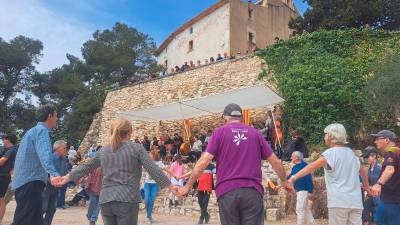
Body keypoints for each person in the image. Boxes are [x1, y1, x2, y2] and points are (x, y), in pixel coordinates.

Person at [177, 103, 292, 225]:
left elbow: (203, 162)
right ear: (241, 118)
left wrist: (187, 186)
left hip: (227, 192)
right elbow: (275, 161)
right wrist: (284, 181)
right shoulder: (256, 133)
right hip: (252, 192)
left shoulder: (219, 133)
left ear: (225, 118)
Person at [59, 118, 177, 225]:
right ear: (129, 132)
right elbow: (153, 168)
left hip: (106, 200)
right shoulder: (137, 149)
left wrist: (67, 177)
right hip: (127, 200)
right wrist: (171, 185)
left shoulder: (104, 151)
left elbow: (86, 166)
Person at [287, 123, 370, 225]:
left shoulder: (330, 153)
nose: (324, 137)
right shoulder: (352, 154)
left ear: (331, 136)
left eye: (325, 135)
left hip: (339, 201)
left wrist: (293, 178)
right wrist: (367, 188)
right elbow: (364, 172)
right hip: (355, 202)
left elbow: (311, 166)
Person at [11, 104, 62, 225]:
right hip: (30, 182)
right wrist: (53, 174)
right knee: (23, 220)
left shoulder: (32, 131)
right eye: (56, 116)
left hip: (25, 182)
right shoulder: (42, 131)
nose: (57, 119)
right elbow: (44, 155)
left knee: (35, 220)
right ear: (50, 116)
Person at [370, 130, 400, 225]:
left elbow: (390, 170)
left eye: (378, 139)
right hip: (391, 199)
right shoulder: (397, 152)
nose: (375, 141)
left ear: (387, 140)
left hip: (392, 200)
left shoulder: (392, 152)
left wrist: (379, 184)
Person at [42, 140, 68, 225]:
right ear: (57, 148)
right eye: (64, 148)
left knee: (52, 209)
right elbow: (45, 171)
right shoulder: (50, 158)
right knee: (43, 208)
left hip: (56, 188)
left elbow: (65, 173)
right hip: (47, 187)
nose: (66, 150)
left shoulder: (64, 160)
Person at [144, 150, 172, 224]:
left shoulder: (159, 163)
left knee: (152, 200)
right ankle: (149, 216)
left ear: (154, 155)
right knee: (146, 200)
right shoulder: (147, 162)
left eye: (150, 155)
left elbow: (167, 170)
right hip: (147, 184)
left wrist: (175, 175)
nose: (149, 156)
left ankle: (148, 216)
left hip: (155, 184)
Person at [287, 151, 315, 225]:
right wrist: (281, 184)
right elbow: (289, 178)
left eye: (292, 156)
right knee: (305, 210)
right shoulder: (294, 167)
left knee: (300, 209)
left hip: (304, 190)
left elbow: (308, 178)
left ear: (296, 157)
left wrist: (310, 191)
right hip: (299, 190)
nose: (290, 158)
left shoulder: (304, 165)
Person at [0, 133, 18, 224]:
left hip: (3, 177)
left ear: (8, 140)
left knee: (1, 200)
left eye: (3, 139)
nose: (2, 141)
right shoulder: (6, 150)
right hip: (3, 176)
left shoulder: (12, 150)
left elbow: (2, 162)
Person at [362, 146, 381, 225]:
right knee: (365, 215)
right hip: (371, 196)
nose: (366, 159)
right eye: (365, 157)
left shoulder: (380, 168)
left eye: (367, 157)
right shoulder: (370, 168)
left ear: (374, 156)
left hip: (379, 197)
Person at [85, 152, 102, 225]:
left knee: (99, 204)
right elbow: (89, 175)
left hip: (102, 188)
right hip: (93, 187)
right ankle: (90, 216)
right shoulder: (93, 165)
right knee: (92, 203)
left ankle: (93, 219)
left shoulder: (107, 165)